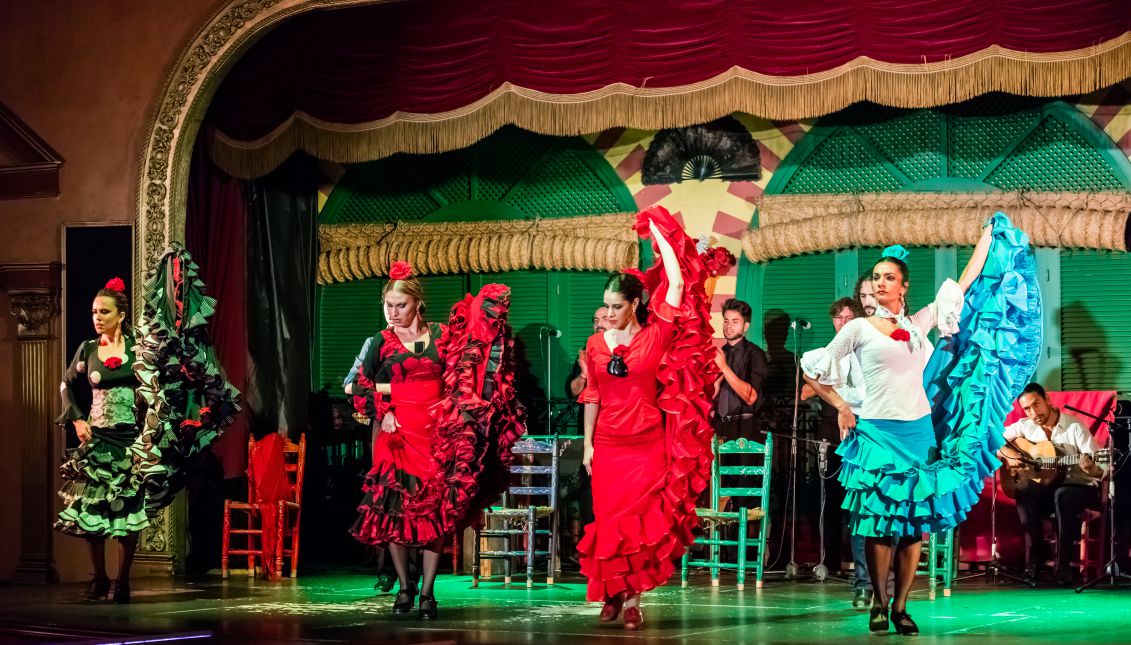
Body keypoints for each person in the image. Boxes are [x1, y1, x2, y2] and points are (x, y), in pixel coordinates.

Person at [802, 213, 1040, 636]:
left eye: (888, 277)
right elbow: (815, 374)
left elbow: (964, 282)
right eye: (876, 277)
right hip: (876, 432)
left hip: (918, 432)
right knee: (877, 523)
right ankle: (877, 601)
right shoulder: (857, 328)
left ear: (903, 286)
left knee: (914, 524)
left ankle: (901, 605)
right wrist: (841, 405)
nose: (879, 283)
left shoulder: (917, 325)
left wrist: (989, 236)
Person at [348, 261, 523, 620]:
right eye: (388, 305)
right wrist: (388, 406)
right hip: (395, 432)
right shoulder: (378, 342)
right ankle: (404, 586)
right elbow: (353, 384)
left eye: (400, 305)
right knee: (396, 510)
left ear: (417, 304)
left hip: (435, 434)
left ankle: (427, 592)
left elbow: (460, 376)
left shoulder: (443, 335)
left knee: (435, 510)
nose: (393, 313)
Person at [578, 206, 716, 630]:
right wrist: (587, 444)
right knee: (609, 522)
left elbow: (676, 282)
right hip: (609, 446)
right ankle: (611, 594)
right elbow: (593, 395)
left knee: (638, 527)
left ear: (634, 304)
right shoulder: (596, 343)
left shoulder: (657, 334)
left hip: (646, 445)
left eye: (616, 306)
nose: (609, 313)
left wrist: (659, 232)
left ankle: (633, 599)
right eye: (605, 306)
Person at [56, 278, 145, 604]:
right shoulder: (88, 349)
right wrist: (77, 418)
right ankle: (100, 578)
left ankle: (122, 582)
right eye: (94, 311)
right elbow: (65, 385)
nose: (97, 317)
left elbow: (154, 389)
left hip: (127, 438)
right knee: (92, 508)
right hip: (96, 436)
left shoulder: (137, 348)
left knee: (127, 510)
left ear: (120, 314)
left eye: (104, 311)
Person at [801, 297, 871, 608]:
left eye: (848, 316)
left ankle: (873, 577)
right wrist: (839, 401)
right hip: (835, 430)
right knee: (833, 499)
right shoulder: (830, 353)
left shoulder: (867, 347)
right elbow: (807, 385)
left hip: (869, 427)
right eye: (839, 318)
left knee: (866, 507)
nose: (844, 322)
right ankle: (837, 564)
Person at [999, 383, 1105, 585]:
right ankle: (1035, 561)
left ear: (1047, 400)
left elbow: (1101, 466)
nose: (1033, 412)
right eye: (1027, 409)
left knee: (1062, 494)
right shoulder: (1024, 426)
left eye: (1036, 404)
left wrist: (1093, 468)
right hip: (1048, 489)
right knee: (1024, 488)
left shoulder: (1074, 427)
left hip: (1079, 488)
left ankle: (1062, 566)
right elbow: (995, 440)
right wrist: (1011, 456)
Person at [712, 298, 768, 441]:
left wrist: (724, 368)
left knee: (743, 464)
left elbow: (750, 397)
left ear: (746, 326)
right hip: (718, 425)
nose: (729, 326)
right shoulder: (717, 354)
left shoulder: (755, 354)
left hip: (745, 427)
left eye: (735, 321)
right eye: (726, 321)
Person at [569, 306, 611, 397]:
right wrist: (584, 375)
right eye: (596, 320)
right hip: (589, 408)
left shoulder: (624, 350)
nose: (599, 324)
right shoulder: (586, 352)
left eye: (605, 319)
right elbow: (573, 393)